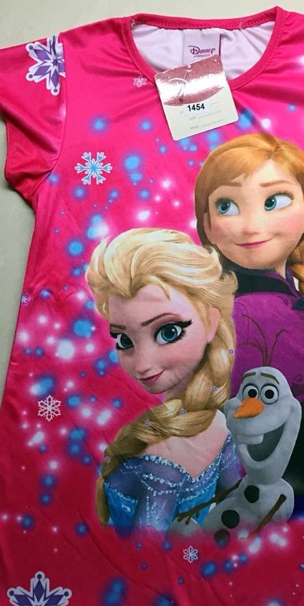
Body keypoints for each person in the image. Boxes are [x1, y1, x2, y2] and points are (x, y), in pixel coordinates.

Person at [194, 133, 304, 525]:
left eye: (274, 200)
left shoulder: (283, 302)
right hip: (303, 515)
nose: (251, 225)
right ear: (207, 224)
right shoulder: (252, 313)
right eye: (227, 206)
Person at [85, 227, 242, 536]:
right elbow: (237, 507)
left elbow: (146, 556)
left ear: (211, 322)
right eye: (124, 340)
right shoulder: (220, 425)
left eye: (168, 332)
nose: (142, 365)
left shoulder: (161, 461)